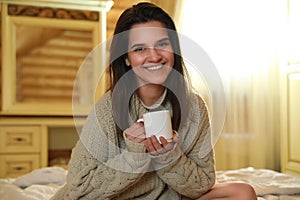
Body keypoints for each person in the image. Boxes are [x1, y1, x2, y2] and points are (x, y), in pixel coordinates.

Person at [52, 2, 257, 200]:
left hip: (173, 196)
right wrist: (134, 156)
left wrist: (169, 157)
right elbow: (78, 188)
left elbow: (203, 183)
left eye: (162, 44)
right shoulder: (107, 109)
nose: (154, 56)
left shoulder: (194, 107)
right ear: (126, 58)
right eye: (140, 49)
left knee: (242, 192)